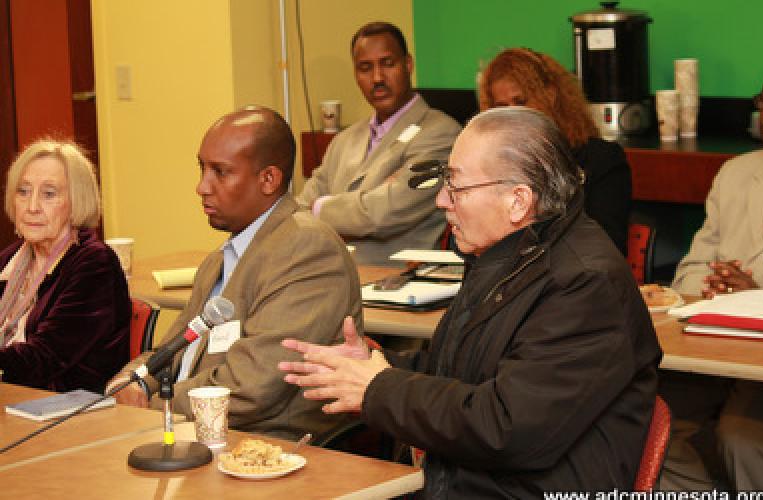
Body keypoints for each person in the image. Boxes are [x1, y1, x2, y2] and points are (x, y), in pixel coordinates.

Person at [281, 107, 662, 497]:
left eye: (457, 187)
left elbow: (506, 426)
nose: (442, 201)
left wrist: (380, 388)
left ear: (518, 201)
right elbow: (459, 372)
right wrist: (376, 367)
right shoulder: (507, 256)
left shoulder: (584, 283)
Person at [111, 106, 362, 441]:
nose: (202, 186)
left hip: (267, 450)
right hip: (194, 430)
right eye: (202, 168)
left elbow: (254, 387)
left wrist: (152, 407)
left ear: (268, 179)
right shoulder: (220, 258)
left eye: (221, 172)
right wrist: (130, 382)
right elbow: (171, 353)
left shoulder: (307, 249)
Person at [664, 51, 763, 499]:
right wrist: (711, 286)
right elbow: (691, 267)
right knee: (641, 414)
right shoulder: (736, 173)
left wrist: (759, 299)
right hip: (712, 345)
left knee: (745, 438)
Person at [296, 21, 461, 266]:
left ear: (408, 65)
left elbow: (382, 213)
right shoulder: (344, 139)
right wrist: (358, 206)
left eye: (387, 64)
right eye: (365, 68)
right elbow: (297, 210)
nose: (377, 78)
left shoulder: (441, 134)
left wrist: (319, 208)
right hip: (332, 277)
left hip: (398, 285)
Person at [0, 139, 130, 394]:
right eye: (23, 191)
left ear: (77, 202)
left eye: (49, 194)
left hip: (65, 412)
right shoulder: (11, 258)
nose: (32, 206)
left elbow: (45, 358)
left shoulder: (94, 264)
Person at [478, 48, 632, 255]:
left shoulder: (600, 160)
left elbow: (605, 247)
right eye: (502, 107)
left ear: (549, 96)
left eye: (521, 102)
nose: (514, 114)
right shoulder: (492, 165)